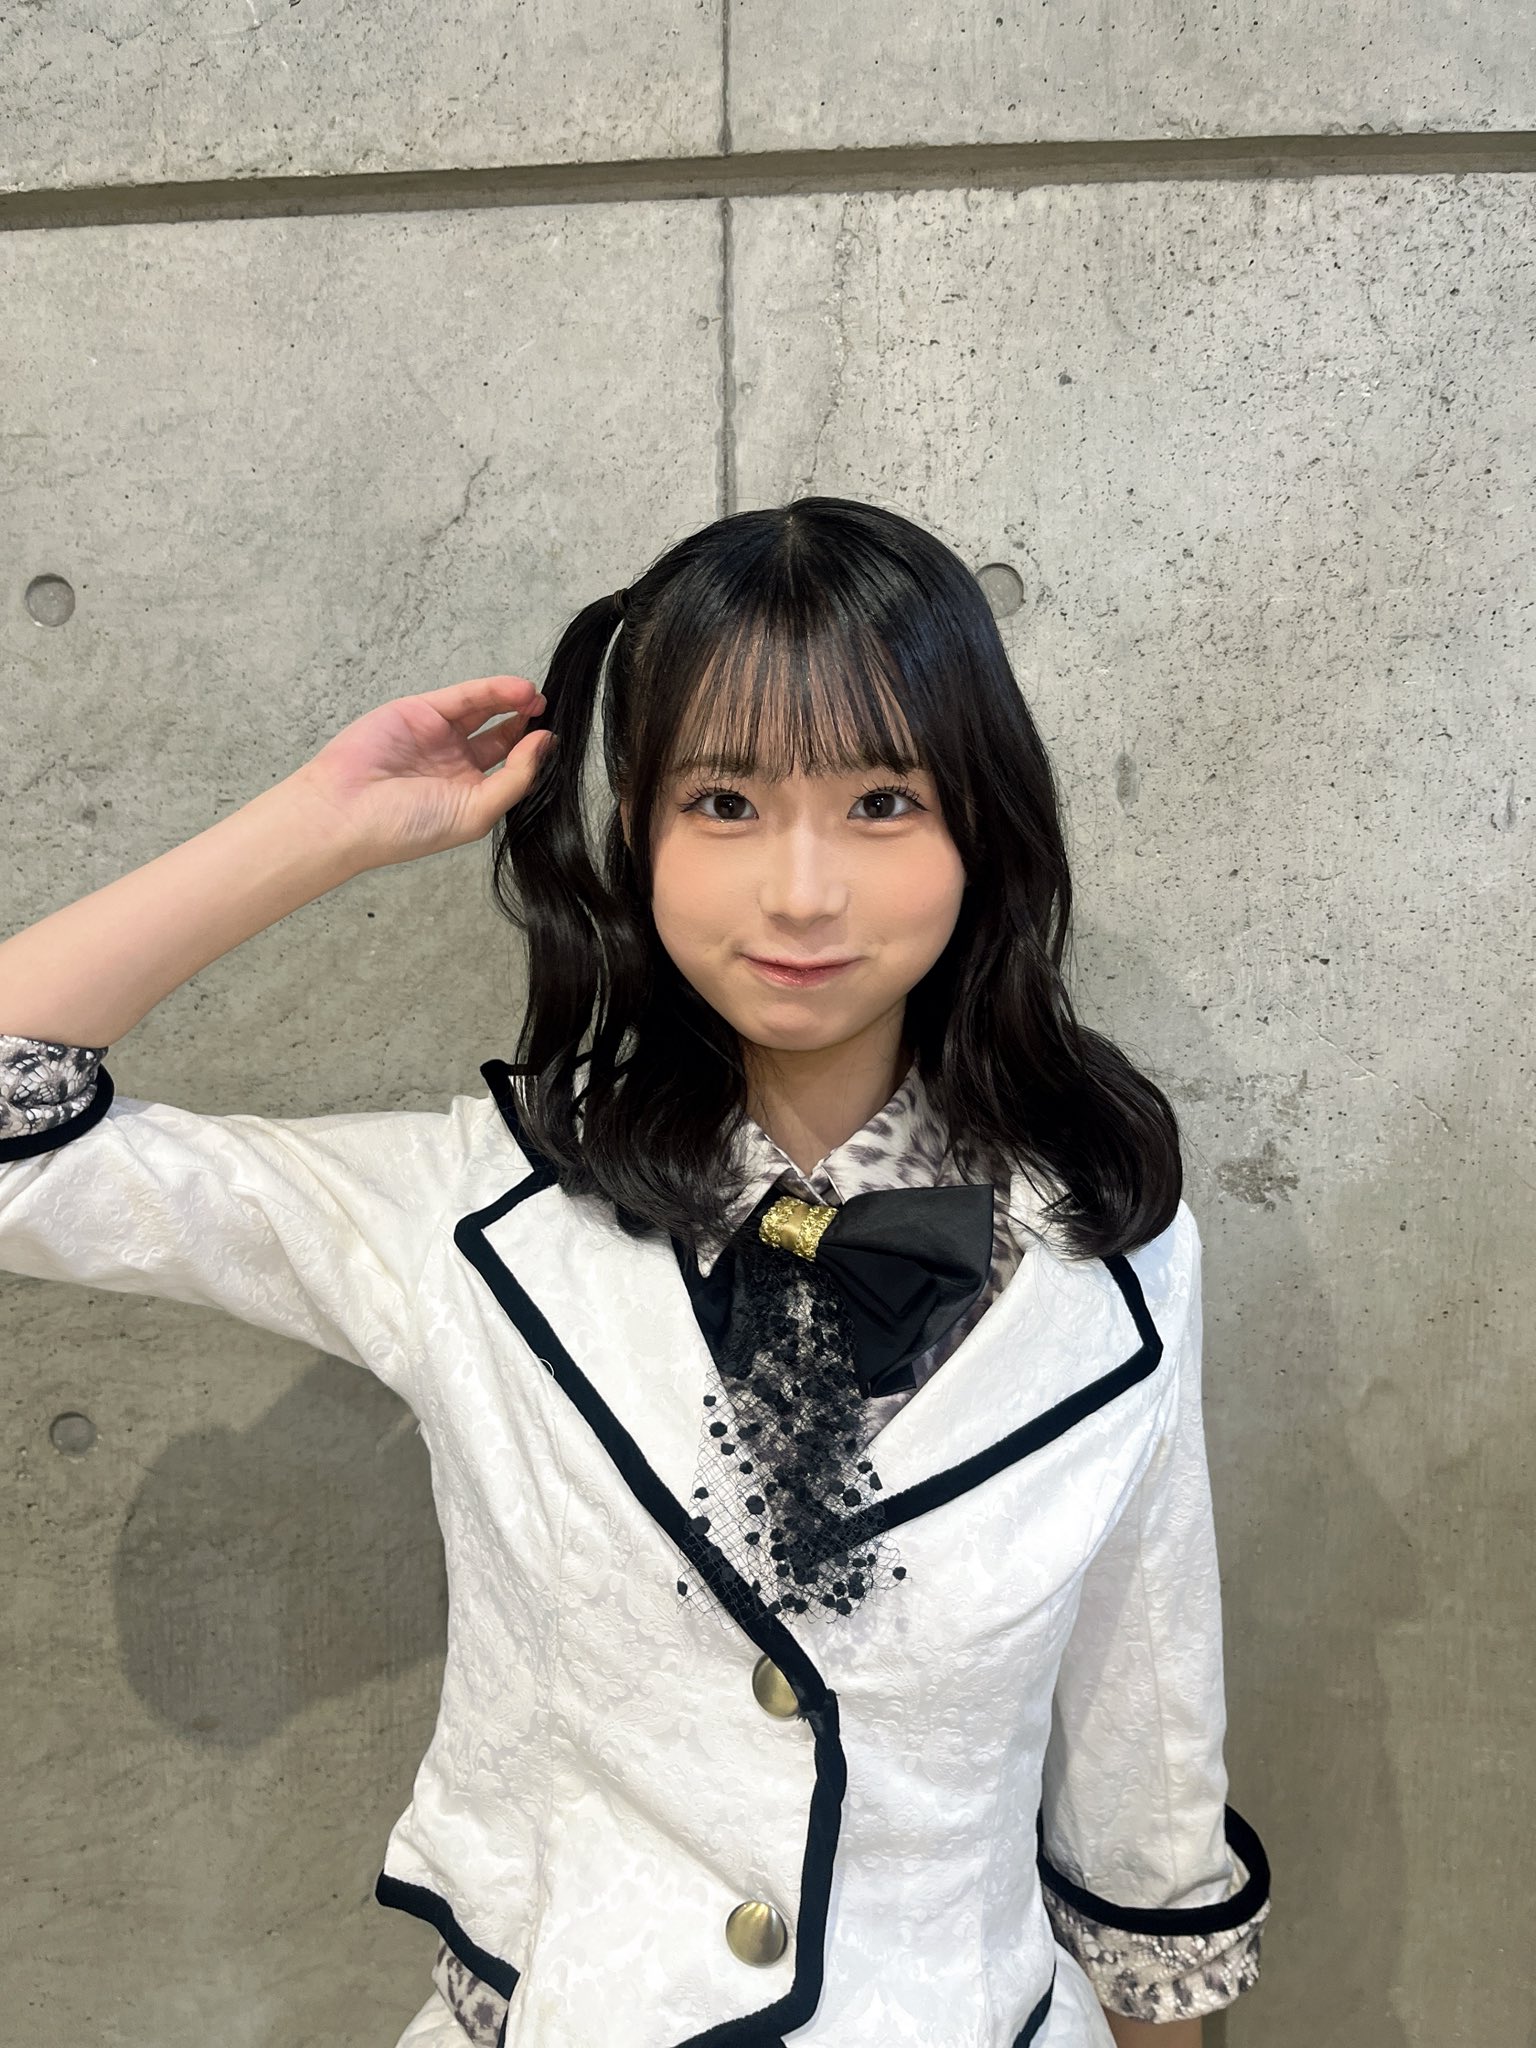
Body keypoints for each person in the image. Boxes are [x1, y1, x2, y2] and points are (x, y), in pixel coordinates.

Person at [0, 497, 1271, 2048]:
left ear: (980, 830)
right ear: (637, 835)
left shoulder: (1108, 1248)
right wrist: (322, 823)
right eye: (724, 802)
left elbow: (1146, 1752)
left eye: (882, 801)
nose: (801, 892)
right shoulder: (475, 1211)